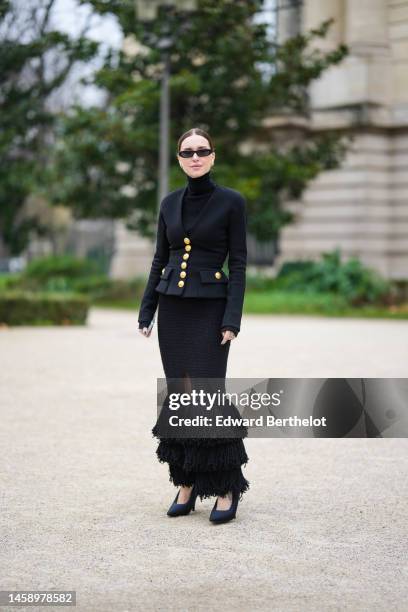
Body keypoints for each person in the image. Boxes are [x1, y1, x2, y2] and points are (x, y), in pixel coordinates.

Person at [138, 127, 249, 524]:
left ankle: (225, 486)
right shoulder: (168, 204)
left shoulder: (231, 203)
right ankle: (186, 481)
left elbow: (238, 264)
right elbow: (158, 259)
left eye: (203, 150)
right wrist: (146, 310)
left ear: (213, 156)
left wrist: (232, 319)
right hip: (173, 311)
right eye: (188, 152)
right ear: (180, 159)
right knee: (181, 396)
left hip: (209, 311)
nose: (196, 157)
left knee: (208, 397)